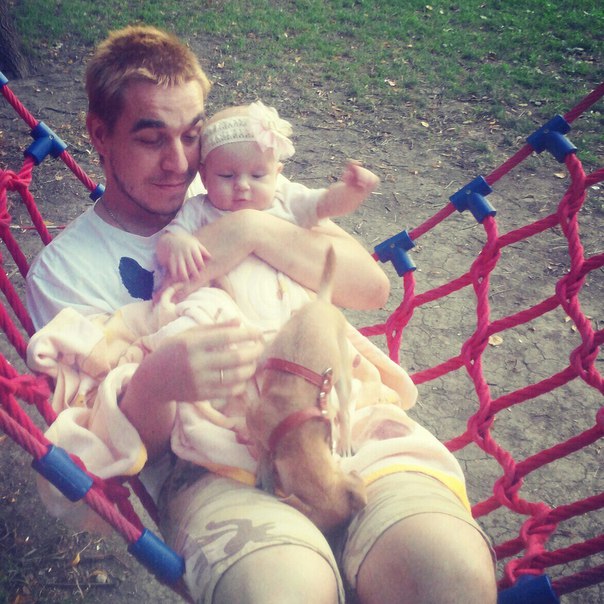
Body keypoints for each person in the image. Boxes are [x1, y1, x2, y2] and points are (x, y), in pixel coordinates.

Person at [25, 25, 497, 604]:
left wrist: (250, 230)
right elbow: (103, 459)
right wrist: (155, 383)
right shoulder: (65, 272)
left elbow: (370, 286)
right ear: (99, 134)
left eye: (192, 136)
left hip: (346, 419)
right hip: (210, 464)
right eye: (151, 139)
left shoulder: (241, 187)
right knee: (280, 590)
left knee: (446, 569)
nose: (179, 162)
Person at [155, 100, 380, 293]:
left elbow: (327, 204)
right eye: (227, 176)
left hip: (285, 306)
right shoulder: (199, 209)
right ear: (204, 177)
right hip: (223, 306)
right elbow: (167, 241)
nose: (242, 185)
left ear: (277, 174)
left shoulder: (287, 199)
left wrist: (352, 191)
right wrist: (177, 244)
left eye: (257, 175)